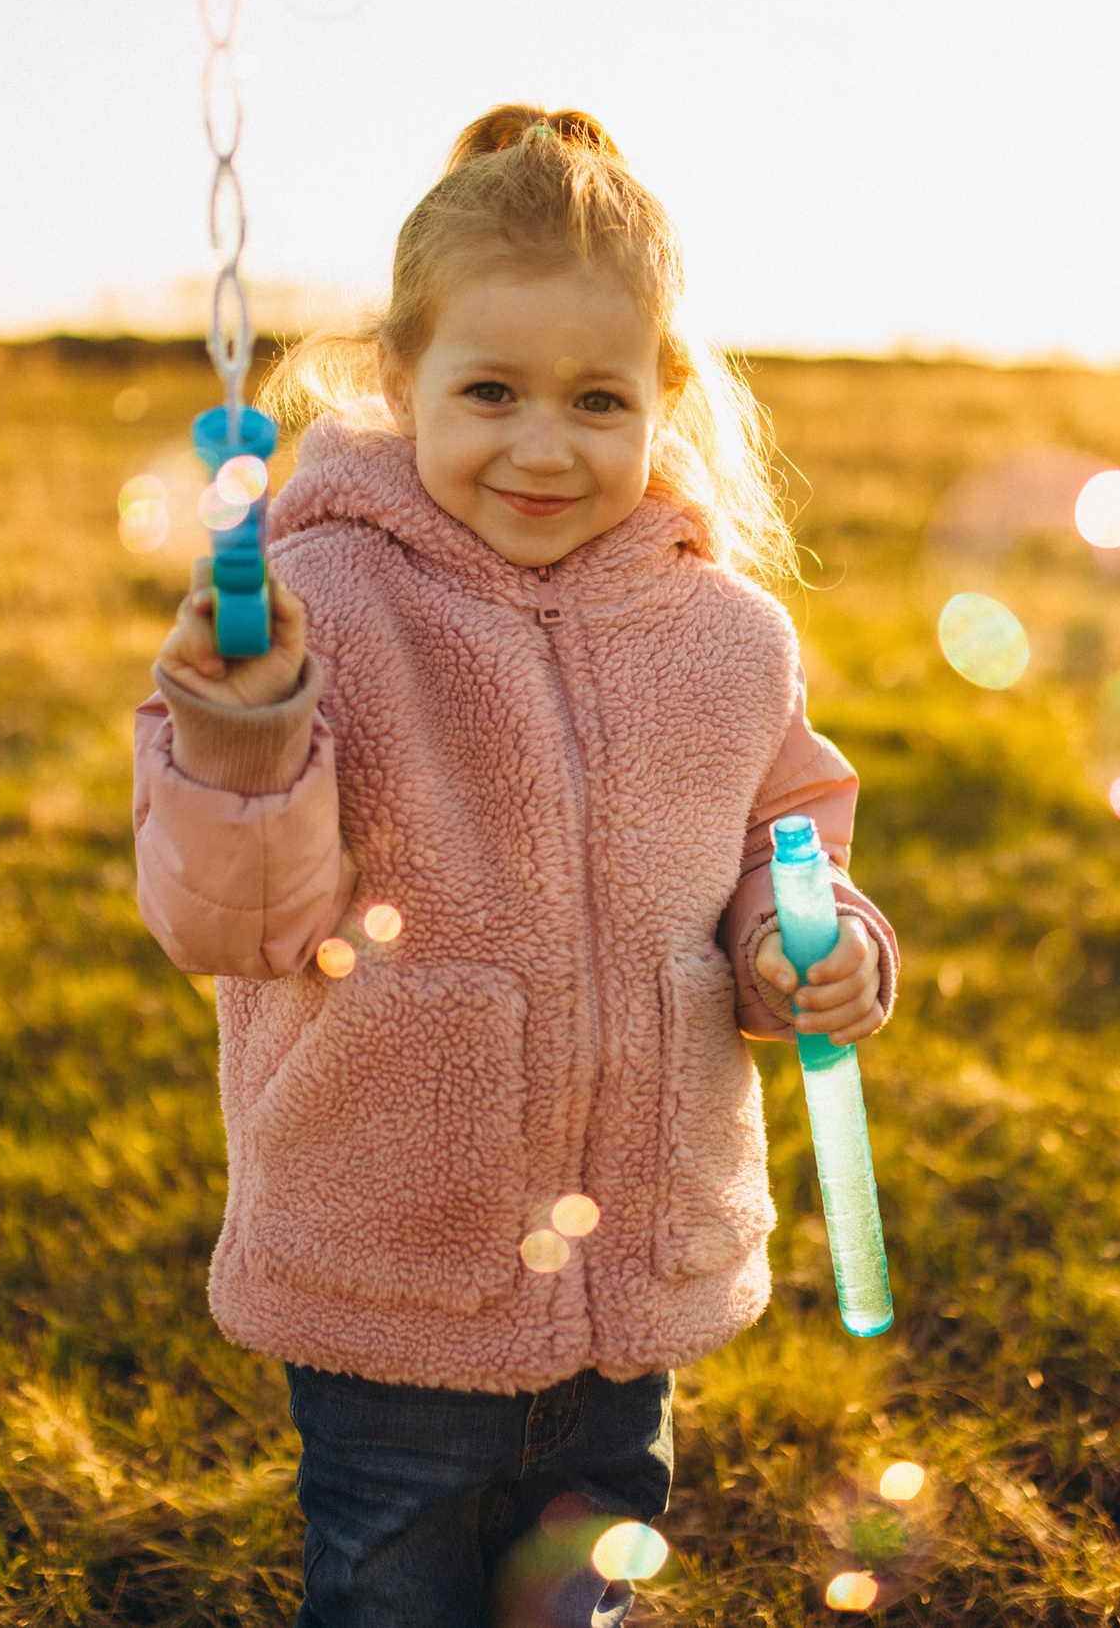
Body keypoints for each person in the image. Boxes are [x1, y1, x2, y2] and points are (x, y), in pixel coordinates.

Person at [130, 104, 902, 1628]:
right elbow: (233, 923)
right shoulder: (316, 602)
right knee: (390, 1596)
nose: (543, 447)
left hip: (633, 1289)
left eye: (597, 400)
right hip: (390, 1273)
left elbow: (785, 846)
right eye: (488, 391)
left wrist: (808, 943)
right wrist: (244, 732)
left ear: (664, 399)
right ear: (398, 376)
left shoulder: (730, 639)